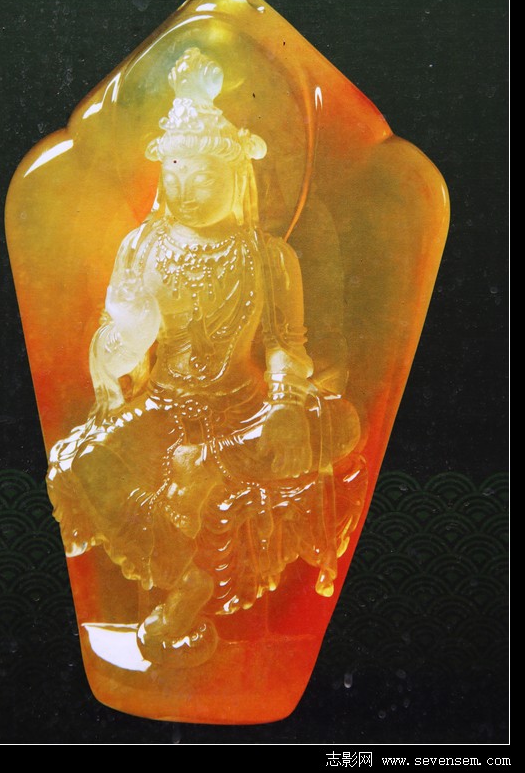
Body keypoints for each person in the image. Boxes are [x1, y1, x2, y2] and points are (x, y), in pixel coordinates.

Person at [46, 47, 365, 667]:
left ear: (237, 179)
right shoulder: (143, 247)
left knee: (340, 423)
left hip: (243, 411)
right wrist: (116, 344)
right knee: (80, 461)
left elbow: (286, 345)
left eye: (205, 178)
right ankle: (184, 580)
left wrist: (281, 404)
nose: (188, 191)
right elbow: (126, 337)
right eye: (175, 175)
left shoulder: (269, 257)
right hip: (165, 405)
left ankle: (207, 469)